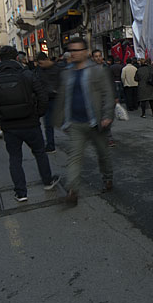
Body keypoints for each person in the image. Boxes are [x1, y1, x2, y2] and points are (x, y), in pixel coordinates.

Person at [0, 46, 60, 202]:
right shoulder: (27, 75)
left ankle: (21, 192)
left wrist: (0, 117)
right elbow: (42, 96)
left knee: (15, 158)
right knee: (39, 152)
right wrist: (38, 113)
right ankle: (47, 181)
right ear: (16, 58)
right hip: (30, 122)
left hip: (9, 125)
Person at [50, 37, 114, 205]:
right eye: (72, 50)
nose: (74, 53)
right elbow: (62, 98)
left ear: (85, 52)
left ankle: (108, 178)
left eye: (78, 50)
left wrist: (107, 115)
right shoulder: (66, 73)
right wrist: (61, 120)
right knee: (74, 158)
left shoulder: (97, 71)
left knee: (103, 154)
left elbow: (108, 94)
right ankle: (73, 191)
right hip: (75, 124)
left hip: (96, 122)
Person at [34, 52, 63, 153]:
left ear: (46, 60)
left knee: (63, 121)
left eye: (41, 63)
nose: (40, 65)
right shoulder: (39, 70)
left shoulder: (58, 68)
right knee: (48, 124)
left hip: (57, 99)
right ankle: (50, 145)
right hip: (45, 99)